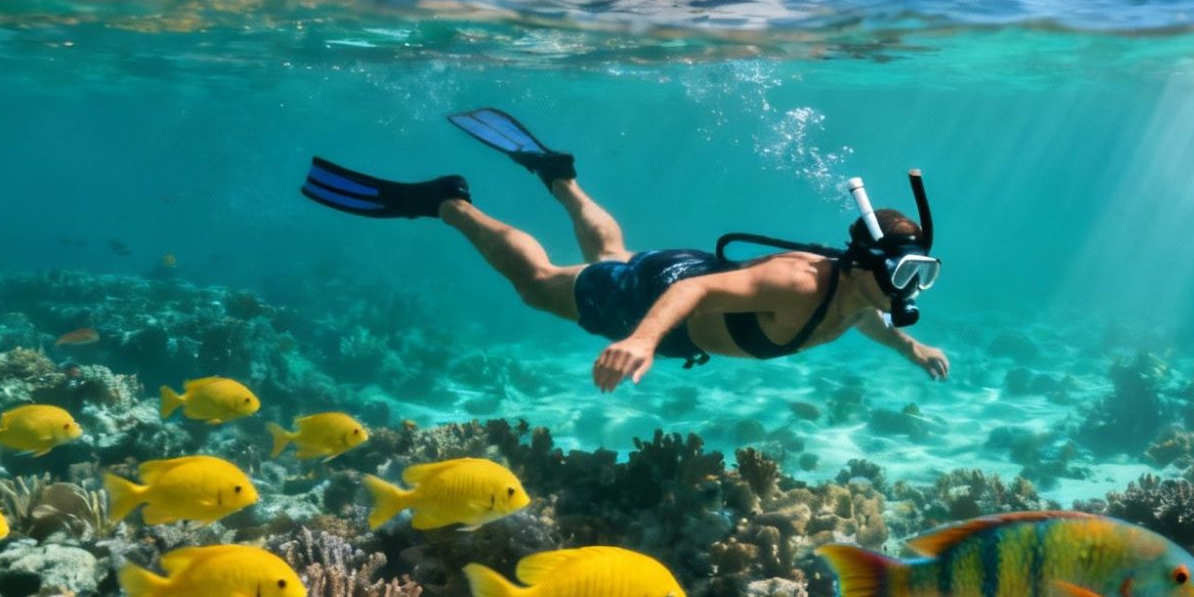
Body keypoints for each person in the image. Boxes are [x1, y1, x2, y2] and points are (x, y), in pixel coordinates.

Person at [301, 108, 949, 392]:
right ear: (866, 264)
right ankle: (449, 202)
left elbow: (864, 316)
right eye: (906, 272)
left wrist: (911, 347)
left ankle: (559, 176)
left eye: (923, 272)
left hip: (678, 280)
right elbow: (694, 290)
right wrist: (641, 339)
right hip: (662, 295)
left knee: (612, 253)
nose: (913, 287)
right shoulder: (799, 283)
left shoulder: (861, 292)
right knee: (537, 285)